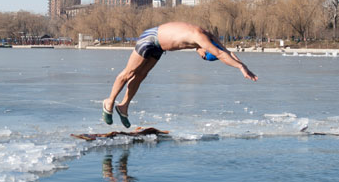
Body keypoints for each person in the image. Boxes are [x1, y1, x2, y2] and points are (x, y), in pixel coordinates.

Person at [102, 21, 257, 127]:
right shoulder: (201, 38)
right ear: (206, 50)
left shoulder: (209, 36)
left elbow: (226, 52)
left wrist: (243, 65)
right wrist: (240, 69)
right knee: (129, 72)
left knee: (141, 76)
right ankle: (109, 101)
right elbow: (221, 55)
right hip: (150, 38)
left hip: (159, 47)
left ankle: (123, 106)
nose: (201, 56)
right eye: (204, 56)